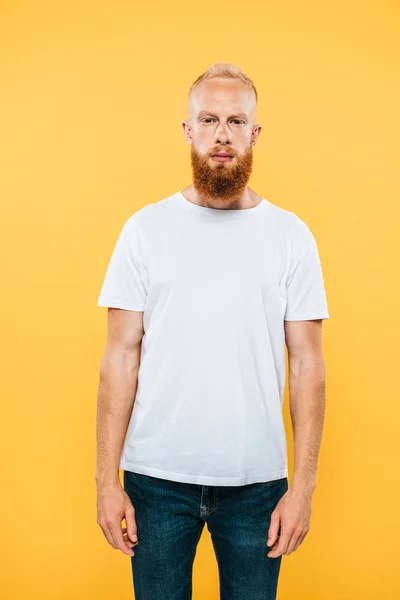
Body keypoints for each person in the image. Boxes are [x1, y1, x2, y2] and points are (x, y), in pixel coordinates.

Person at [95, 62, 330, 600]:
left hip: (257, 489)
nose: (222, 135)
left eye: (235, 121)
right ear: (187, 130)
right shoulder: (144, 231)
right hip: (156, 483)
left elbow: (307, 365)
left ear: (254, 132)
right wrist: (107, 482)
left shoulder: (291, 237)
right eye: (208, 119)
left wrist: (303, 489)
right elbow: (119, 360)